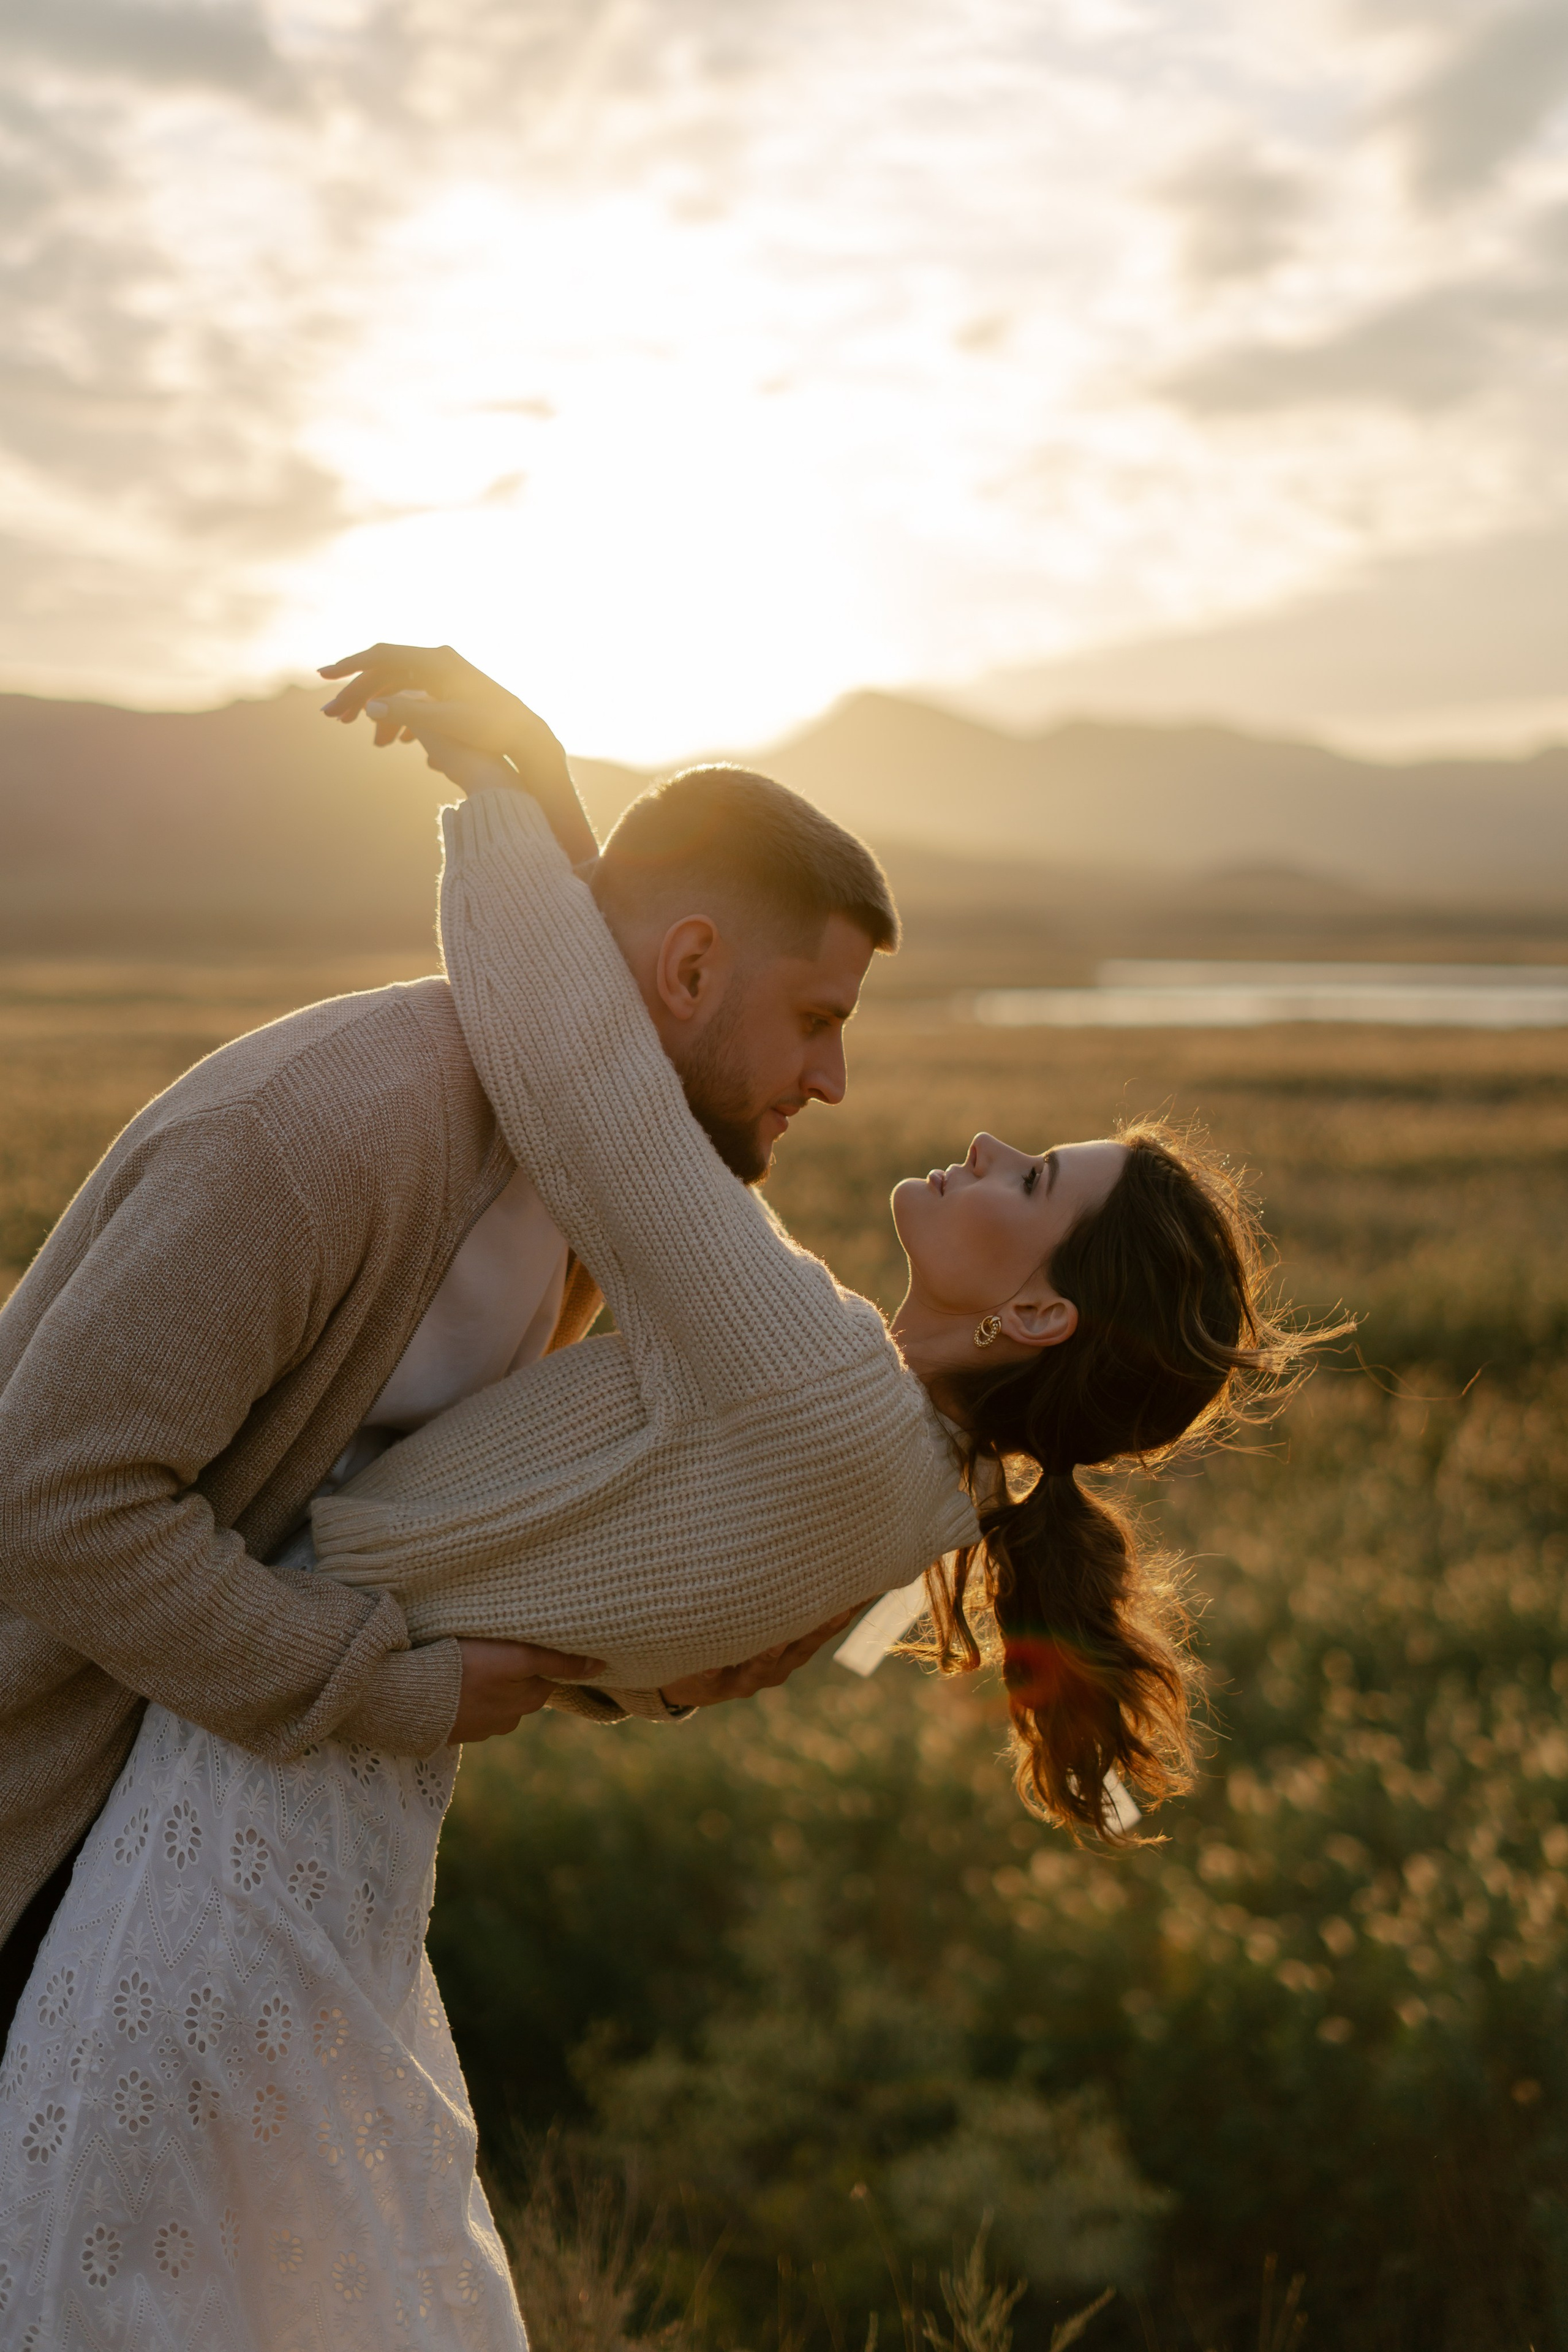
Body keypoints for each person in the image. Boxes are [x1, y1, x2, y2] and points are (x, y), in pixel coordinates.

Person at [0, 650, 1329, 2346]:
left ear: (1042, 1310)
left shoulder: (819, 1384)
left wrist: (513, 790)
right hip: (327, 1810)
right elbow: (630, 1630)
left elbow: (600, 1081)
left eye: (1036, 1177)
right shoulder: (917, 1492)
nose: (978, 1142)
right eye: (824, 1025)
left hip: (248, 1794)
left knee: (140, 2285)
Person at [0, 643, 895, 2047]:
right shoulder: (313, 1137)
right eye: (817, 1021)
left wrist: (650, 1664)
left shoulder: (602, 1198)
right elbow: (50, 1507)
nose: (831, 1082)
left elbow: (457, 1529)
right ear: (694, 966)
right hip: (36, 1829)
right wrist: (388, 1687)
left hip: (223, 1870)